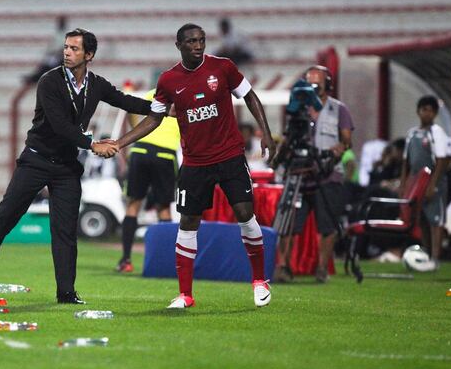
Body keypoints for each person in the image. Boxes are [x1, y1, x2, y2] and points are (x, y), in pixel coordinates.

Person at [0, 28, 152, 304]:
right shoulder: (49, 81)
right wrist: (93, 145)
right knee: (4, 218)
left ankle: (66, 291)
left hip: (66, 168)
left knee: (64, 232)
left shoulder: (96, 84)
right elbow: (60, 126)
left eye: (74, 49)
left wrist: (159, 108)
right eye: (66, 47)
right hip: (35, 160)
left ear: (89, 55)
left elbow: (125, 101)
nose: (67, 52)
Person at [114, 23, 278, 309]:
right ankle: (185, 295)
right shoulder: (168, 80)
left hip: (229, 156)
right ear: (179, 45)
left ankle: (259, 280)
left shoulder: (223, 67)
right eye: (191, 41)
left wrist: (265, 133)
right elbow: (154, 118)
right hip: (195, 162)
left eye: (201, 40)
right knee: (188, 222)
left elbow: (250, 96)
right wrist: (120, 142)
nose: (198, 46)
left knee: (245, 213)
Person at [274, 66, 354, 283]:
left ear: (327, 84)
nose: (313, 86)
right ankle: (284, 266)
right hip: (298, 173)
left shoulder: (339, 109)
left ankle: (321, 269)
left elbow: (347, 140)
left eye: (317, 82)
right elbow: (289, 137)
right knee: (288, 223)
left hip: (327, 175)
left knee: (327, 225)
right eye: (309, 82)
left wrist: (336, 150)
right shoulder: (298, 108)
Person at [116, 88, 180, 273]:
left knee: (133, 205)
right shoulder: (185, 94)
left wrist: (135, 129)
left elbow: (132, 110)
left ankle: (126, 260)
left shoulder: (154, 92)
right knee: (164, 208)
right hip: (165, 153)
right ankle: (166, 261)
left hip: (140, 150)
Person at [401, 95, 450, 270]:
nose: (426, 113)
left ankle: (435, 258)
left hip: (433, 182)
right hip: (416, 183)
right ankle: (427, 254)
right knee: (421, 220)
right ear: (418, 111)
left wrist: (432, 184)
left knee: (435, 220)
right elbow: (406, 162)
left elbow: (442, 160)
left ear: (435, 113)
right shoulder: (412, 133)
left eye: (430, 110)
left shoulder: (436, 132)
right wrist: (403, 186)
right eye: (424, 110)